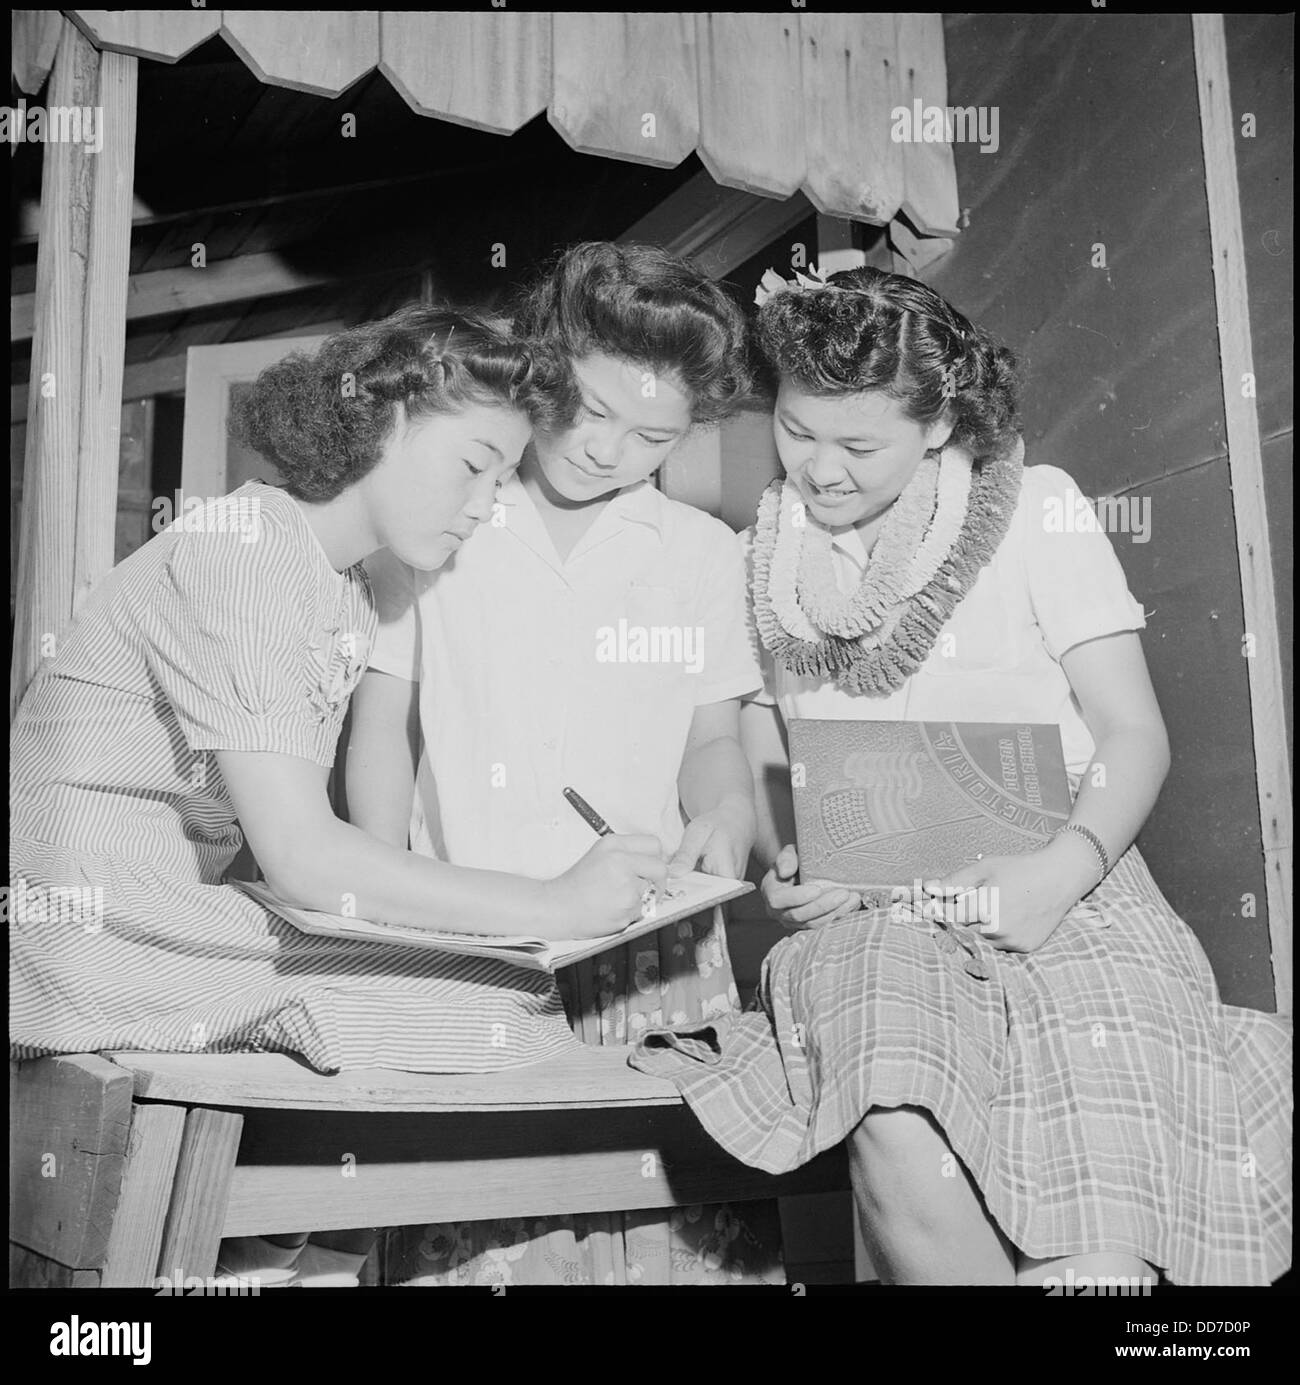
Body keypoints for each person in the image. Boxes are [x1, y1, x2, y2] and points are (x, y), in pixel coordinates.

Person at [630, 263, 1292, 1286]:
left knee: (1092, 1204)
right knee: (891, 1108)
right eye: (799, 432)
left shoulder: (1038, 508)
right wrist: (790, 854)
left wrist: (1062, 868)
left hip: (1064, 876)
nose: (820, 468)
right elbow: (765, 748)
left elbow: (1133, 732)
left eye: (859, 444)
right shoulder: (761, 552)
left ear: (938, 425)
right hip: (873, 905)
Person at [9, 304, 667, 1287]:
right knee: (496, 1010)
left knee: (503, 999)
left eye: (502, 477)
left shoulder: (345, 584)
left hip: (159, 913)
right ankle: (271, 1256)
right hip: (78, 924)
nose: (487, 501)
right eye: (474, 463)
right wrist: (555, 905)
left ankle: (287, 1257)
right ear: (385, 417)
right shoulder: (241, 551)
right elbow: (307, 859)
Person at [348, 242, 783, 1286]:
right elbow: (380, 729)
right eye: (588, 409)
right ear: (545, 366)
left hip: (652, 952)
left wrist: (721, 824)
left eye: (652, 435)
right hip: (468, 934)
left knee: (675, 1243)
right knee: (481, 1234)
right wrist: (375, 904)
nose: (606, 451)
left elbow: (713, 737)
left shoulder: (699, 551)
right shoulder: (443, 517)